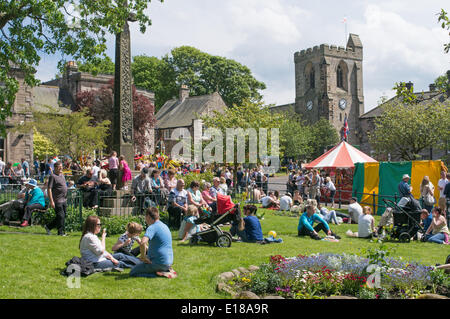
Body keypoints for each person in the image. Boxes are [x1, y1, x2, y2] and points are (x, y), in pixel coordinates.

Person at [129, 207, 176, 278]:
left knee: (133, 272)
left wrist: (143, 256)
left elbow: (143, 242)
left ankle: (160, 274)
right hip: (168, 261)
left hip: (159, 262)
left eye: (145, 217)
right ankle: (165, 270)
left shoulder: (152, 227)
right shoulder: (164, 226)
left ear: (148, 216)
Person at [44, 161, 68, 236]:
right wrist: (52, 201)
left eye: (61, 167)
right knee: (61, 216)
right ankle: (60, 233)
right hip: (57, 200)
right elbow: (49, 189)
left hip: (64, 199)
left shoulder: (62, 175)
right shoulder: (52, 176)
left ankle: (48, 226)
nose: (61, 168)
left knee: (62, 216)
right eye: (59, 167)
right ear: (55, 168)